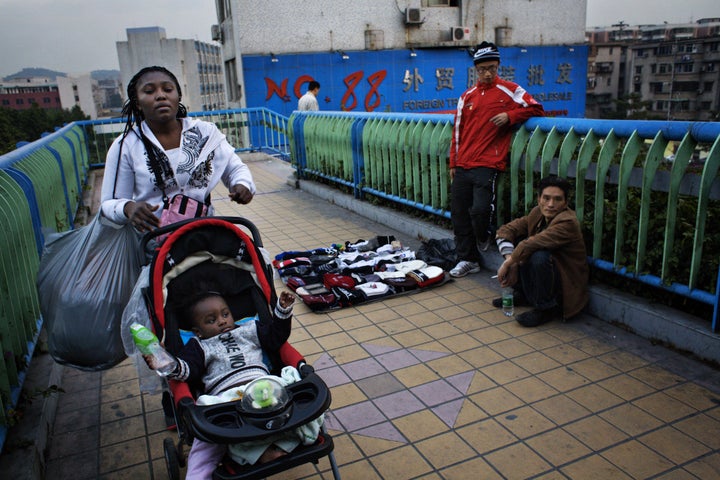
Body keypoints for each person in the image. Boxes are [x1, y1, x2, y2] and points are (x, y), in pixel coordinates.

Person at [144, 287, 298, 478]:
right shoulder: (199, 346)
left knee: (297, 400)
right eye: (211, 320)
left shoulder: (250, 329)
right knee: (206, 436)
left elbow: (276, 338)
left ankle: (265, 449)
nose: (222, 321)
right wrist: (166, 363)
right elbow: (187, 370)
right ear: (197, 332)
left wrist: (282, 311)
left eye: (225, 314)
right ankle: (199, 474)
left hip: (263, 387)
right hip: (226, 400)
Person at [100, 66, 256, 232]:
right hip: (154, 244)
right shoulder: (126, 145)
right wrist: (128, 207)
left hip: (203, 235)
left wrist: (242, 184)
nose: (161, 96)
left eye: (168, 89)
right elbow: (108, 204)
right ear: (137, 102)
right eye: (149, 91)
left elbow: (235, 169)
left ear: (178, 96)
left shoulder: (205, 133)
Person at [448, 41, 544, 278]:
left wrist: (510, 115)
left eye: (492, 68)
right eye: (482, 69)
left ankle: (483, 236)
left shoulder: (511, 89)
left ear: (498, 66)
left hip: (488, 163)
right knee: (459, 212)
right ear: (476, 70)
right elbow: (457, 132)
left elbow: (536, 109)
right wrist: (453, 162)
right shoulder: (466, 96)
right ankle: (467, 259)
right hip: (463, 163)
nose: (488, 73)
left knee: (480, 210)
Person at [494, 176, 589, 327]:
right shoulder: (537, 213)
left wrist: (509, 263)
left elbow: (532, 243)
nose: (551, 204)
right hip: (546, 274)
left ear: (565, 203)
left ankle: (546, 309)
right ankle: (525, 295)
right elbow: (506, 230)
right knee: (520, 247)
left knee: (538, 255)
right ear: (539, 199)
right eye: (546, 198)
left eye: (557, 199)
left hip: (566, 282)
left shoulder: (567, 222)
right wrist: (510, 261)